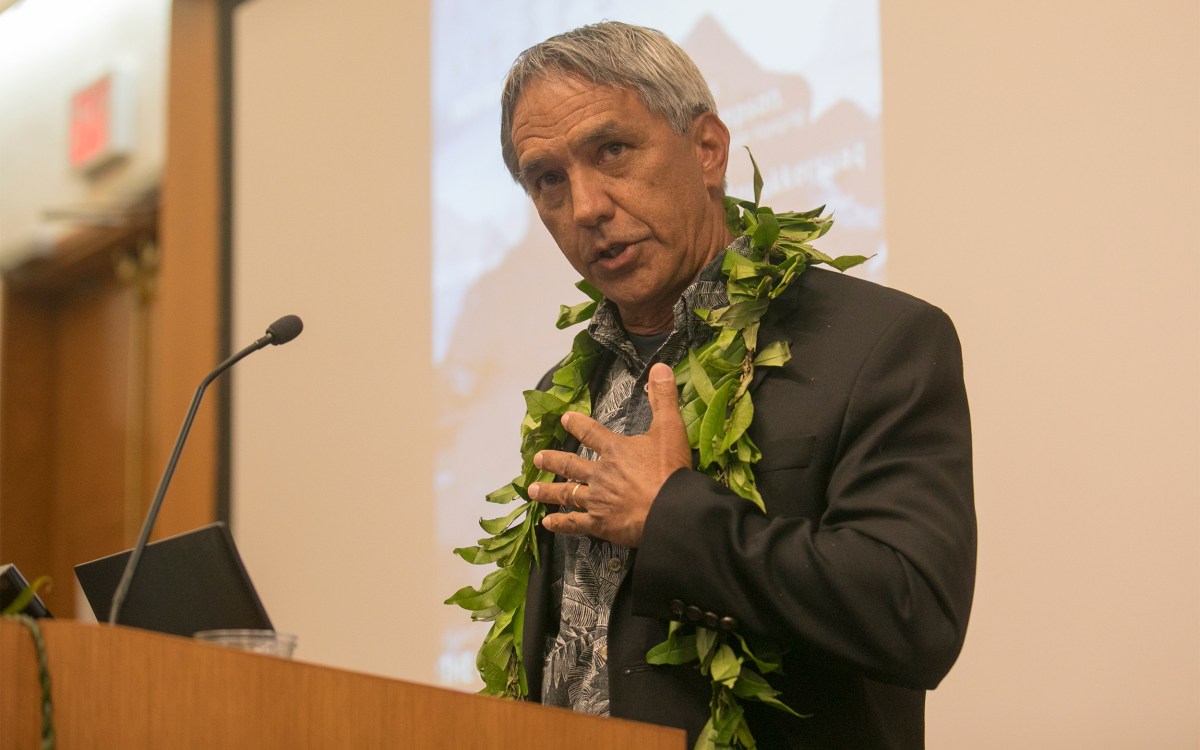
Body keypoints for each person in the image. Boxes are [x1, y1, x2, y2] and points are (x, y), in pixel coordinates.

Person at [501, 21, 975, 749]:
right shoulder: (567, 392)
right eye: (548, 180)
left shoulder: (876, 344)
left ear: (708, 150)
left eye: (613, 151)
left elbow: (915, 615)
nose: (586, 205)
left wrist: (673, 519)